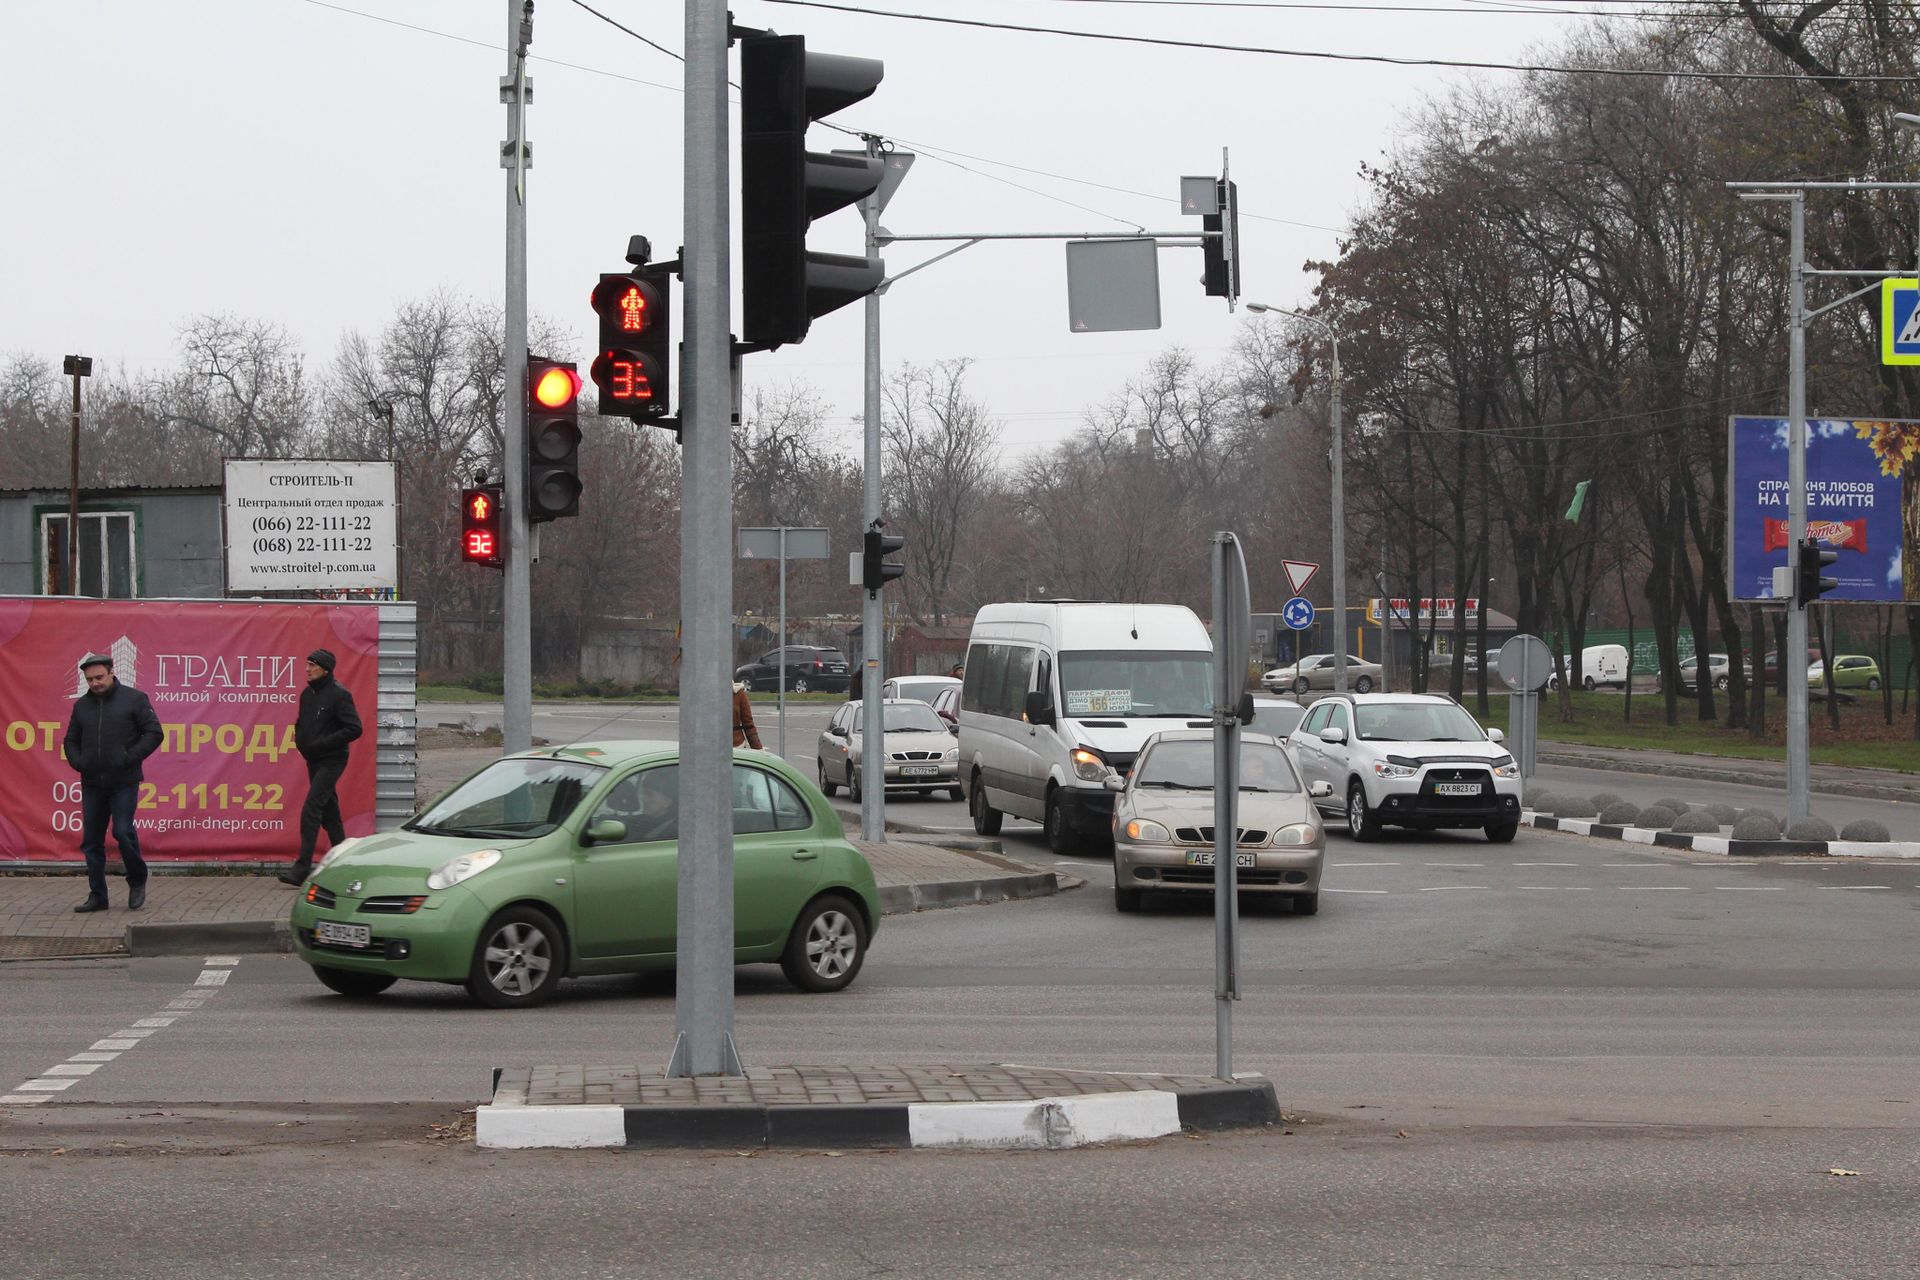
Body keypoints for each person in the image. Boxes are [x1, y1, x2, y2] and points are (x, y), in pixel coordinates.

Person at [62, 653, 162, 912]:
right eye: (89, 679)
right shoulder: (81, 706)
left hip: (124, 781)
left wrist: (129, 757)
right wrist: (78, 762)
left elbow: (154, 732)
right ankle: (98, 896)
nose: (95, 683)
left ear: (111, 673)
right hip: (92, 782)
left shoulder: (134, 699)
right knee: (92, 841)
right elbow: (70, 740)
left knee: (122, 831)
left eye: (99, 677)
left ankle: (137, 879)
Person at [281, 648, 362, 885]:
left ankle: (303, 867)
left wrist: (323, 744)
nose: (306, 669)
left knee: (312, 808)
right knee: (330, 814)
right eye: (306, 664)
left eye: (311, 665)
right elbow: (301, 723)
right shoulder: (307, 694)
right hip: (313, 759)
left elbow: (354, 728)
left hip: (332, 759)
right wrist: (301, 742)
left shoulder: (339, 695)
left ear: (324, 669)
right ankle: (344, 862)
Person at [732, 680, 763, 749]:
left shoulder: (738, 693)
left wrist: (759, 750)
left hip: (737, 748)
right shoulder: (706, 694)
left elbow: (749, 725)